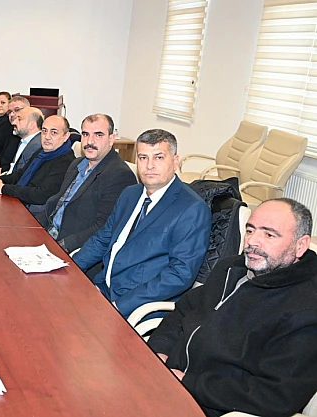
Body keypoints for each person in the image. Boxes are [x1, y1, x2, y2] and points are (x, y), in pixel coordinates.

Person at [148, 198, 317, 417]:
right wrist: (160, 351)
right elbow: (184, 309)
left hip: (208, 407)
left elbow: (277, 395)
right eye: (250, 230)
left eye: (269, 235)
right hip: (166, 380)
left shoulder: (305, 310)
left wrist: (189, 382)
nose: (252, 241)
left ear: (300, 245)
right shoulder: (231, 268)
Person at [72, 129, 211, 318]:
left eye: (159, 157)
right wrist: (71, 268)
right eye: (143, 158)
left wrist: (120, 306)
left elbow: (180, 274)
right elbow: (103, 239)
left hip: (137, 306)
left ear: (175, 161)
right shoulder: (130, 194)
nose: (150, 166)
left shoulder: (191, 209)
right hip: (103, 288)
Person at [36, 114, 137, 253]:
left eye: (98, 135)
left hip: (71, 248)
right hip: (48, 233)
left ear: (111, 139)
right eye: (85, 134)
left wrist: (61, 246)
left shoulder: (119, 175)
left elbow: (103, 228)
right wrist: (32, 227)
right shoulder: (76, 164)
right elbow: (58, 202)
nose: (90, 141)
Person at [0, 115, 75, 207]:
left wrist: (3, 188)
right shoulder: (41, 152)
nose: (47, 136)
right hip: (21, 201)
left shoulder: (66, 162)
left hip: (36, 210)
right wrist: (0, 180)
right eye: (44, 131)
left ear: (66, 136)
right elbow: (21, 174)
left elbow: (41, 195)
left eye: (54, 132)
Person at [0, 96, 29, 172]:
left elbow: (21, 165)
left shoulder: (26, 133)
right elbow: (5, 152)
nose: (12, 114)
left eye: (17, 110)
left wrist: (2, 170)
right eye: (9, 111)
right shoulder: (12, 128)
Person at [0, 106, 44, 175]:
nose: (14, 122)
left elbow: (22, 176)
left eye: (19, 119)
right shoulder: (25, 140)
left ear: (31, 125)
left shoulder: (36, 146)